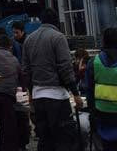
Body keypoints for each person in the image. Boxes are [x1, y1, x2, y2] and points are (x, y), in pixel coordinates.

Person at [22, 8, 82, 151]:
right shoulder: (58, 37)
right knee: (64, 139)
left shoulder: (29, 39)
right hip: (57, 97)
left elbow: (26, 70)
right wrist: (76, 94)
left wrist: (30, 93)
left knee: (44, 139)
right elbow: (65, 68)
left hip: (38, 98)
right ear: (56, 22)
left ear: (41, 21)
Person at [0, 34, 23, 151]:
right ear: (10, 47)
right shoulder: (15, 60)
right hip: (8, 98)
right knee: (7, 131)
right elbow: (21, 78)